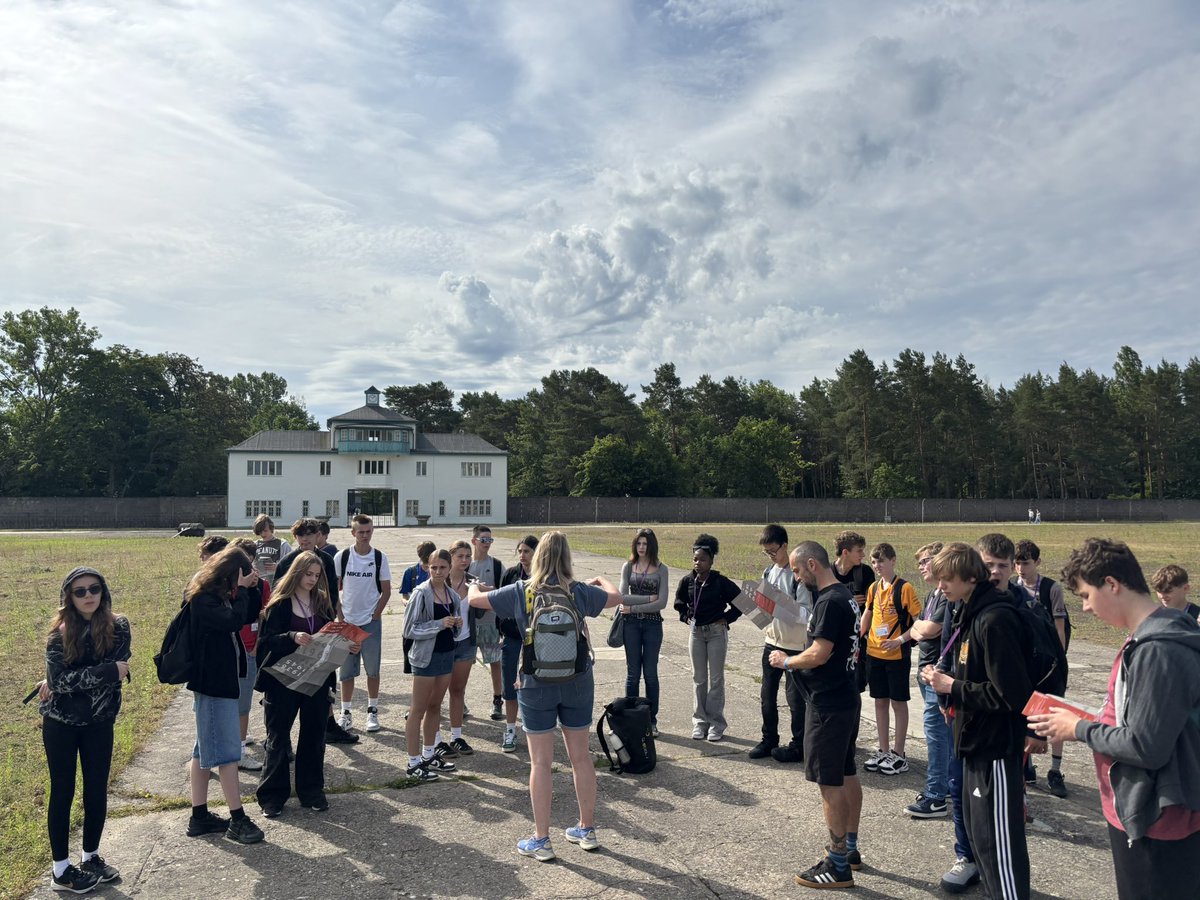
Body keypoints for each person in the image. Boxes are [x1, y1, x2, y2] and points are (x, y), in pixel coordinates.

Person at [1030, 538, 1200, 900]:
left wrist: (1078, 729)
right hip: (1140, 810)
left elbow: (1146, 747)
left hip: (1157, 821)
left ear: (1112, 584)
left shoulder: (1159, 651)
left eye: (1087, 595)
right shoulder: (1146, 637)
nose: (1087, 608)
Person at [467, 531, 623, 861]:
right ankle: (587, 828)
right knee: (580, 758)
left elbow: (475, 602)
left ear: (537, 557)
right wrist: (602, 578)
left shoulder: (523, 590)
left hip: (536, 683)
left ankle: (542, 838)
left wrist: (472, 586)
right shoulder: (579, 591)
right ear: (567, 558)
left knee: (541, 762)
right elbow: (616, 596)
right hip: (578, 680)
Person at [925, 542, 1032, 900]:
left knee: (1000, 845)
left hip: (996, 748)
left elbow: (1011, 696)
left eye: (946, 579)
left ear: (971, 577)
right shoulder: (967, 612)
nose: (940, 587)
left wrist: (953, 686)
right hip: (973, 743)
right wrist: (947, 685)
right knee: (982, 840)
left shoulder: (994, 619)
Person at [769, 541, 863, 890]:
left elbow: (820, 653)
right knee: (847, 771)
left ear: (812, 564)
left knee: (829, 782)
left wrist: (787, 661)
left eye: (796, 570)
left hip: (828, 704)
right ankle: (849, 848)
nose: (795, 577)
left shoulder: (828, 601)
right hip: (846, 697)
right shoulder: (847, 596)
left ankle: (838, 864)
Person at [41, 567, 131, 893]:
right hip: (61, 725)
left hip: (100, 722)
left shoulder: (119, 627)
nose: (88, 595)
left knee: (96, 790)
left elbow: (69, 679)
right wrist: (107, 670)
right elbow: (58, 682)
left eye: (94, 589)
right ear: (68, 597)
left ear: (103, 592)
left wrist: (77, 678)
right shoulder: (58, 634)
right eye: (80, 591)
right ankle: (60, 871)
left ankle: (90, 856)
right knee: (62, 792)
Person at [184, 545, 266, 845]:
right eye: (241, 575)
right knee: (228, 754)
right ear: (229, 574)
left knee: (202, 750)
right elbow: (232, 621)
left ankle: (199, 815)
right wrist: (243, 590)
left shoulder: (216, 596)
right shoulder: (203, 599)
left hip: (219, 683)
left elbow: (247, 616)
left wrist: (251, 589)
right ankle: (237, 818)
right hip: (213, 684)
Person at [255, 551, 348, 817]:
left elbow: (330, 636)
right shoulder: (280, 604)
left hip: (315, 680)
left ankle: (311, 791)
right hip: (282, 680)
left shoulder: (321, 602)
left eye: (317, 576)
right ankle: (273, 796)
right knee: (278, 738)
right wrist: (292, 636)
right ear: (297, 572)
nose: (312, 579)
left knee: (314, 736)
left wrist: (346, 644)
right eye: (308, 574)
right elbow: (265, 645)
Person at [273, 518, 352, 744]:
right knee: (290, 684)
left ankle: (328, 726)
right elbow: (278, 596)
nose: (305, 539)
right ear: (295, 537)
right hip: (294, 632)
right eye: (301, 535)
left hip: (320, 629)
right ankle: (283, 739)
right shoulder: (287, 561)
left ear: (318, 535)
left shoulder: (326, 560)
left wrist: (331, 624)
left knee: (323, 680)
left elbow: (333, 595)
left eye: (310, 534)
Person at [1014, 538, 1071, 798]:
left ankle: (1056, 770)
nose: (1020, 569)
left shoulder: (1051, 588)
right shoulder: (1013, 588)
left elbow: (1059, 627)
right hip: (1027, 666)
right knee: (1028, 716)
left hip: (1051, 665)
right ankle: (1028, 765)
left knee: (1053, 716)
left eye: (1025, 563)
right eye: (1016, 563)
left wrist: (1058, 661)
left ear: (1037, 562)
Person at [674, 533, 743, 742]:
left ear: (712, 561)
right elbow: (679, 603)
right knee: (699, 678)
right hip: (696, 633)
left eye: (703, 559)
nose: (698, 563)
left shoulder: (720, 582)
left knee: (716, 679)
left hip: (715, 633)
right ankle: (700, 722)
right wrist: (686, 617)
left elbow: (742, 602)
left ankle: (716, 724)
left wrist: (727, 619)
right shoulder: (688, 581)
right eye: (695, 558)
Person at [751, 523, 811, 763]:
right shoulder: (768, 572)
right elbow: (764, 608)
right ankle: (769, 738)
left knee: (795, 699)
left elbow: (808, 613)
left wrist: (783, 605)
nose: (771, 556)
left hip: (795, 646)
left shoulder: (798, 576)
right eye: (766, 552)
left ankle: (799, 744)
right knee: (767, 695)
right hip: (771, 641)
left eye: (773, 551)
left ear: (785, 546)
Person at [861, 542, 922, 777]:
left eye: (882, 561)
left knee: (898, 702)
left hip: (896, 656)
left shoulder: (904, 588)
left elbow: (919, 621)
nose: (877, 565)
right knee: (879, 701)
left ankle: (899, 753)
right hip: (874, 653)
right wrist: (860, 637)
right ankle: (884, 749)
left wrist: (900, 640)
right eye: (874, 561)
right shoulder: (874, 587)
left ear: (893, 561)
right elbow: (868, 612)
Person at [402, 549, 462, 781]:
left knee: (436, 706)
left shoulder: (452, 595)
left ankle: (429, 755)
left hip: (446, 655)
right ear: (427, 567)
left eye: (442, 567)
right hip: (425, 658)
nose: (437, 572)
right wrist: (438, 624)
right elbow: (409, 629)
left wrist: (456, 623)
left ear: (449, 568)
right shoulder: (421, 593)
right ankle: (413, 762)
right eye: (433, 567)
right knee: (418, 709)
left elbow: (454, 630)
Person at [905, 542, 953, 819]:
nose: (922, 566)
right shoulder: (934, 594)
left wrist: (920, 628)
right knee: (941, 735)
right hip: (926, 672)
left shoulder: (947, 596)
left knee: (936, 737)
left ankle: (935, 796)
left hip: (937, 674)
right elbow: (917, 628)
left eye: (926, 561)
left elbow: (929, 629)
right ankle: (945, 786)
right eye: (920, 562)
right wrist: (918, 629)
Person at [335, 514, 392, 735]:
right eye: (361, 532)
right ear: (353, 533)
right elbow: (333, 589)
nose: (365, 536)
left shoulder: (379, 557)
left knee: (372, 670)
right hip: (348, 622)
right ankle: (346, 713)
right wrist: (340, 616)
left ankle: (372, 710)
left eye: (368, 532)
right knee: (347, 672)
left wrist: (375, 615)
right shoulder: (342, 556)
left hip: (370, 623)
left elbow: (386, 591)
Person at [619, 528, 669, 736]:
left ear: (652, 546)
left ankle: (651, 719)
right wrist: (649, 599)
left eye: (645, 544)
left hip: (652, 625)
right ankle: (632, 718)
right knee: (632, 674)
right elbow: (622, 597)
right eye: (638, 543)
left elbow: (663, 602)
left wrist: (635, 606)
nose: (641, 547)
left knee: (650, 674)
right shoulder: (628, 566)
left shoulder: (661, 568)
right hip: (630, 625)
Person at [498, 535, 538, 753]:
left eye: (527, 552)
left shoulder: (544, 575)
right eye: (520, 551)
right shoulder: (511, 574)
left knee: (535, 683)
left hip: (536, 639)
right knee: (509, 685)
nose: (522, 555)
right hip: (512, 636)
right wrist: (500, 631)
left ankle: (535, 725)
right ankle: (510, 729)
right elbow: (500, 603)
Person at [468, 525, 506, 721]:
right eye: (483, 539)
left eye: (490, 540)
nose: (487, 544)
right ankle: (461, 701)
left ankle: (497, 699)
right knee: (463, 663)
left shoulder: (498, 566)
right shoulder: (465, 564)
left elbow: (504, 593)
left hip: (491, 623)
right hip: (468, 625)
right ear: (474, 541)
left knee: (495, 662)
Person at [443, 540, 478, 755]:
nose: (465, 560)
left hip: (466, 642)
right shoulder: (439, 580)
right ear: (451, 557)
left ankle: (456, 736)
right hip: (442, 643)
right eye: (460, 556)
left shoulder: (473, 582)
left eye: (468, 556)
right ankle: (436, 740)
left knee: (457, 690)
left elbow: (480, 611)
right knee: (434, 695)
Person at [252, 515, 290, 585]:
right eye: (260, 531)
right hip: (259, 584)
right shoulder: (254, 545)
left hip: (277, 583)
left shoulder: (283, 544)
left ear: (271, 529)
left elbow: (292, 565)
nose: (263, 534)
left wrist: (278, 568)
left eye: (265, 531)